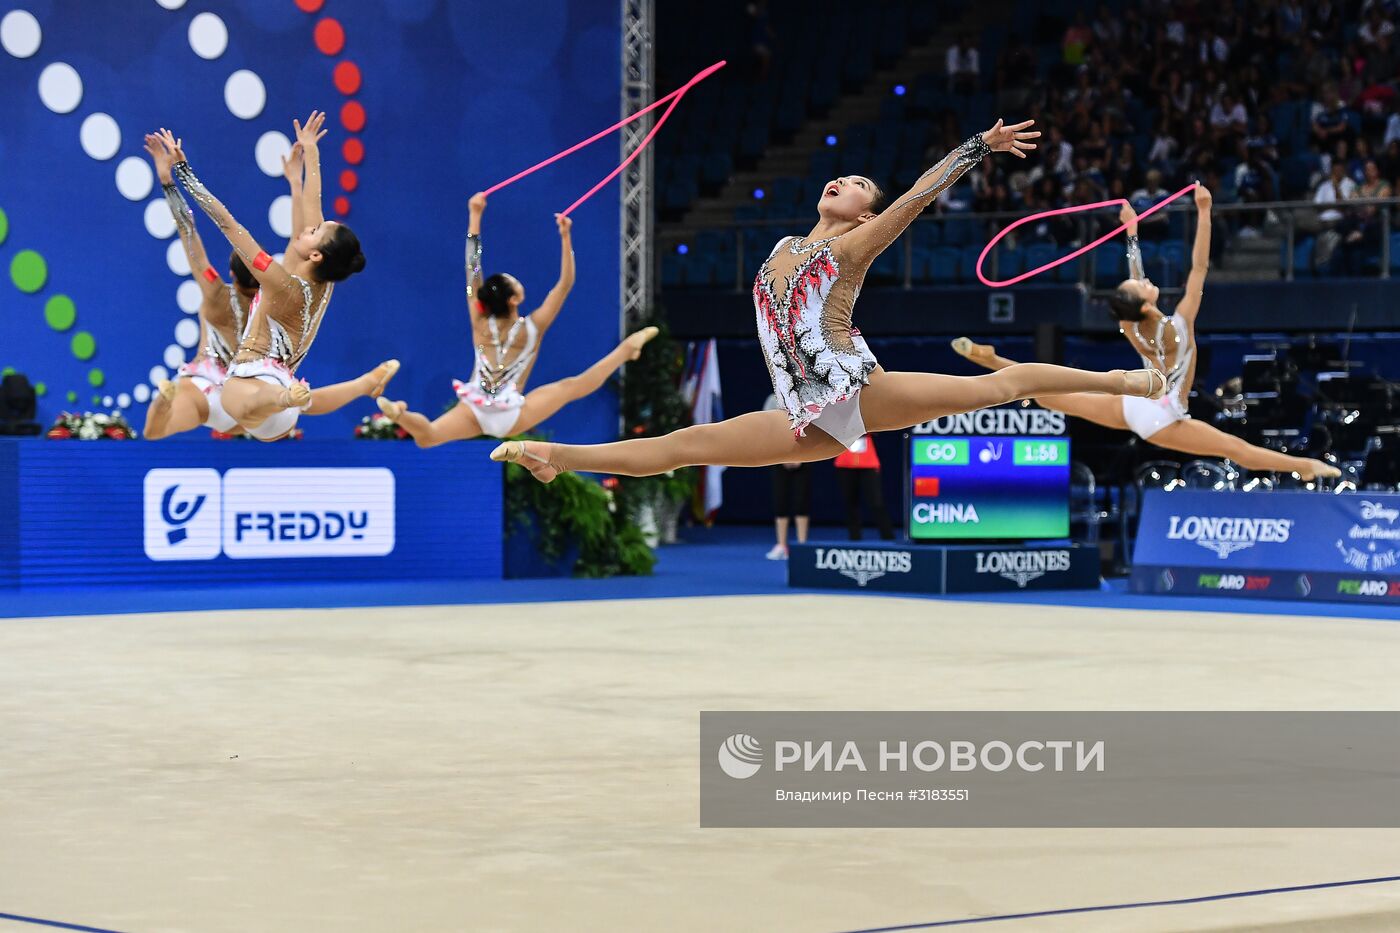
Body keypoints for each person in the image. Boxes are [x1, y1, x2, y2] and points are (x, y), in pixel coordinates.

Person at [492, 119, 1167, 484]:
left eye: (856, 183)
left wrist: (976, 148)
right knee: (685, 444)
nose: (841, 180)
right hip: (800, 412)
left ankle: (1123, 377)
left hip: (849, 388)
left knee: (1000, 386)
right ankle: (557, 457)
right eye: (840, 176)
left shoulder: (849, 250)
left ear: (865, 211)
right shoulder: (786, 243)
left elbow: (913, 200)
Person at [952, 185, 1341, 481]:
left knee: (1052, 396)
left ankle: (994, 360)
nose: (1144, 280)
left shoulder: (1133, 324)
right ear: (1144, 301)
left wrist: (1132, 232)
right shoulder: (1176, 327)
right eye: (1141, 286)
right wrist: (1205, 212)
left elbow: (1135, 278)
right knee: (1235, 448)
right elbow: (1199, 268)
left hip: (1132, 404)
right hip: (1163, 416)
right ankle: (1303, 465)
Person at [143, 133, 393, 439]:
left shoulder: (269, 283)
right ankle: (352, 386)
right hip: (279, 405)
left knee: (230, 401)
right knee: (298, 402)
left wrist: (181, 175)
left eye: (314, 232)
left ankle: (285, 398)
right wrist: (309, 158)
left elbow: (221, 226)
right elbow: (313, 209)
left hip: (247, 388)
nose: (307, 229)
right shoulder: (325, 283)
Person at [376, 193, 658, 445]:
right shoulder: (532, 327)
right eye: (514, 282)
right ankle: (626, 350)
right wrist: (565, 237)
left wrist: (474, 216)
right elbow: (565, 283)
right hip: (511, 413)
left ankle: (401, 414)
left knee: (429, 437)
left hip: (475, 407)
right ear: (514, 299)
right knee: (573, 386)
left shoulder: (480, 322)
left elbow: (472, 266)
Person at [763, 393, 810, 560]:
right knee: (780, 500)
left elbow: (813, 428)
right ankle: (781, 545)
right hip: (779, 458)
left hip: (803, 458)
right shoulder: (772, 400)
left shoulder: (807, 397)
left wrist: (800, 456)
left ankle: (802, 546)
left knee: (801, 501)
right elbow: (768, 430)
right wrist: (782, 456)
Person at [834, 434, 895, 541]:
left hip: (868, 463)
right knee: (850, 502)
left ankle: (888, 537)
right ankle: (854, 537)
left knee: (876, 502)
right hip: (845, 463)